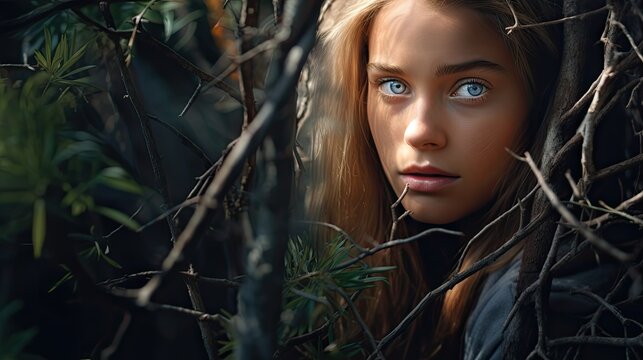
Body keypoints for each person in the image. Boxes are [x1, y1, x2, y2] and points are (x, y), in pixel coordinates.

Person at [306, 0, 566, 358]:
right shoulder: (326, 275)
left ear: (540, 101)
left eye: (471, 88)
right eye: (394, 85)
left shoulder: (543, 305)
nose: (420, 132)